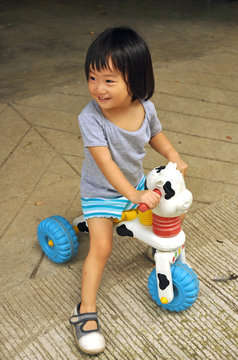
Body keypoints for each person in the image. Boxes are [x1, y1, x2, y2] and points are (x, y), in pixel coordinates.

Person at [69, 26, 188, 355]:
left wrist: (173, 156)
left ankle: (155, 247)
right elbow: (106, 165)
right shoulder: (91, 118)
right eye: (92, 78)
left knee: (161, 210)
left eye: (109, 80)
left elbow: (155, 136)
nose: (98, 89)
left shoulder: (145, 108)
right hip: (101, 194)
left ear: (135, 79)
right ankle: (85, 311)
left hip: (133, 187)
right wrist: (134, 196)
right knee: (102, 248)